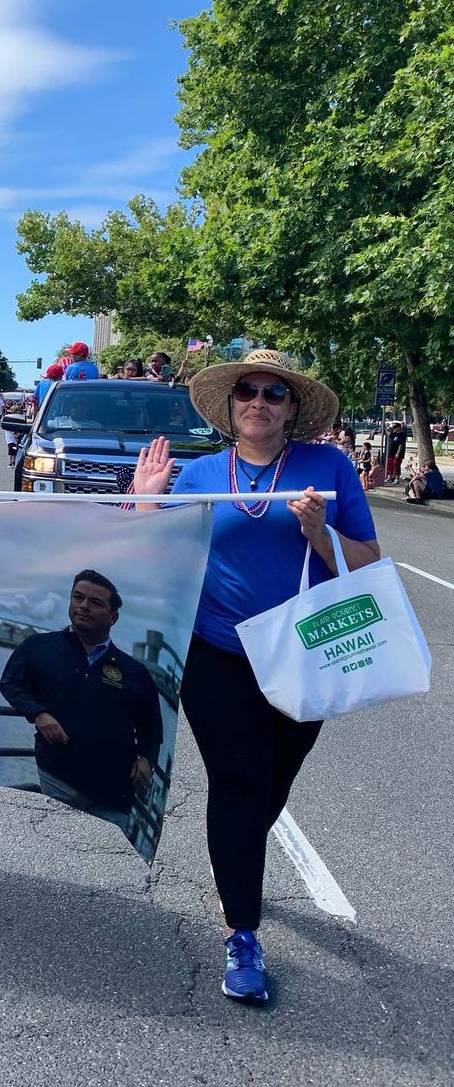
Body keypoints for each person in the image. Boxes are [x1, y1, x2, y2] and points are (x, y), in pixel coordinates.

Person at [132, 349, 378, 1005]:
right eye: (249, 391)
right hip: (217, 653)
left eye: (275, 393)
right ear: (232, 404)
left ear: (292, 407)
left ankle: (237, 858)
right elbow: (157, 559)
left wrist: (320, 534)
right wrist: (144, 505)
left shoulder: (328, 468)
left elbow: (369, 559)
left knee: (270, 784)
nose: (260, 402)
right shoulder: (203, 474)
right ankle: (242, 932)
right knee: (239, 785)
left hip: (308, 651)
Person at [0, 570, 162, 828]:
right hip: (58, 778)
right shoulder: (38, 647)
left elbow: (151, 727)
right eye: (78, 597)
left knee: (104, 862)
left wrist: (147, 759)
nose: (84, 606)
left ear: (113, 617)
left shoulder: (135, 672)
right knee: (54, 850)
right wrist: (39, 714)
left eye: (95, 602)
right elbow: (10, 683)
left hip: (114, 794)